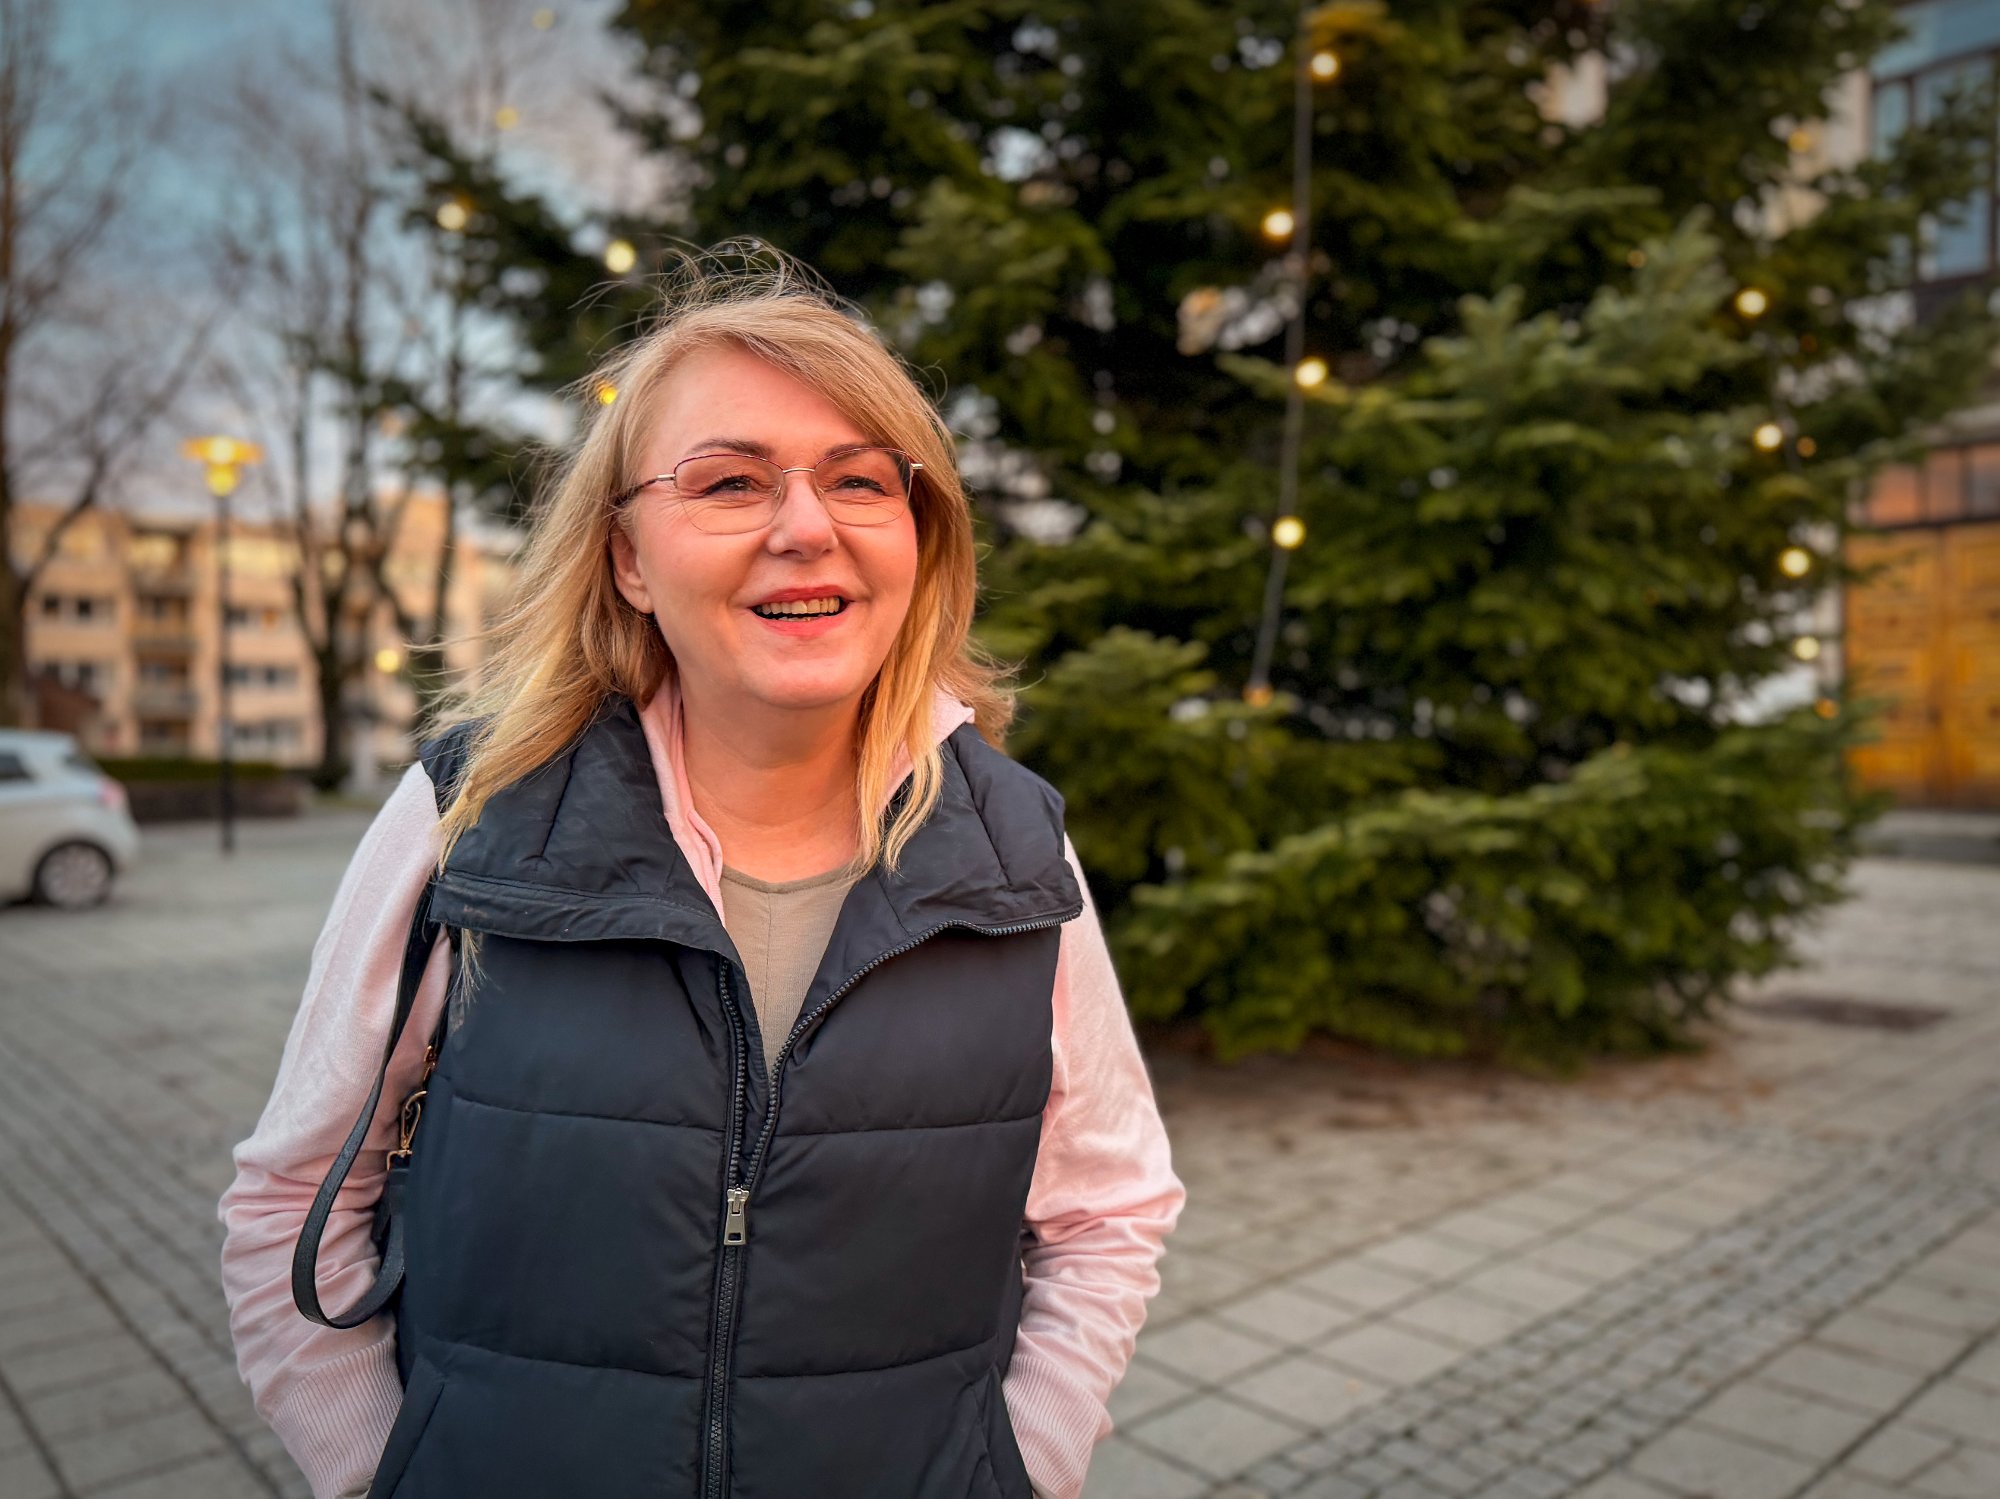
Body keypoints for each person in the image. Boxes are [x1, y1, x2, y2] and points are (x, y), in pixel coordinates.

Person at [217, 252, 1185, 1499]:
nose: (805, 527)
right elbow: (292, 1196)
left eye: (858, 479)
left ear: (917, 533)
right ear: (627, 557)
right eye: (730, 481)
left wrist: (1017, 1467)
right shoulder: (470, 814)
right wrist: (381, 1470)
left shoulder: (1013, 845)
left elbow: (1110, 1206)